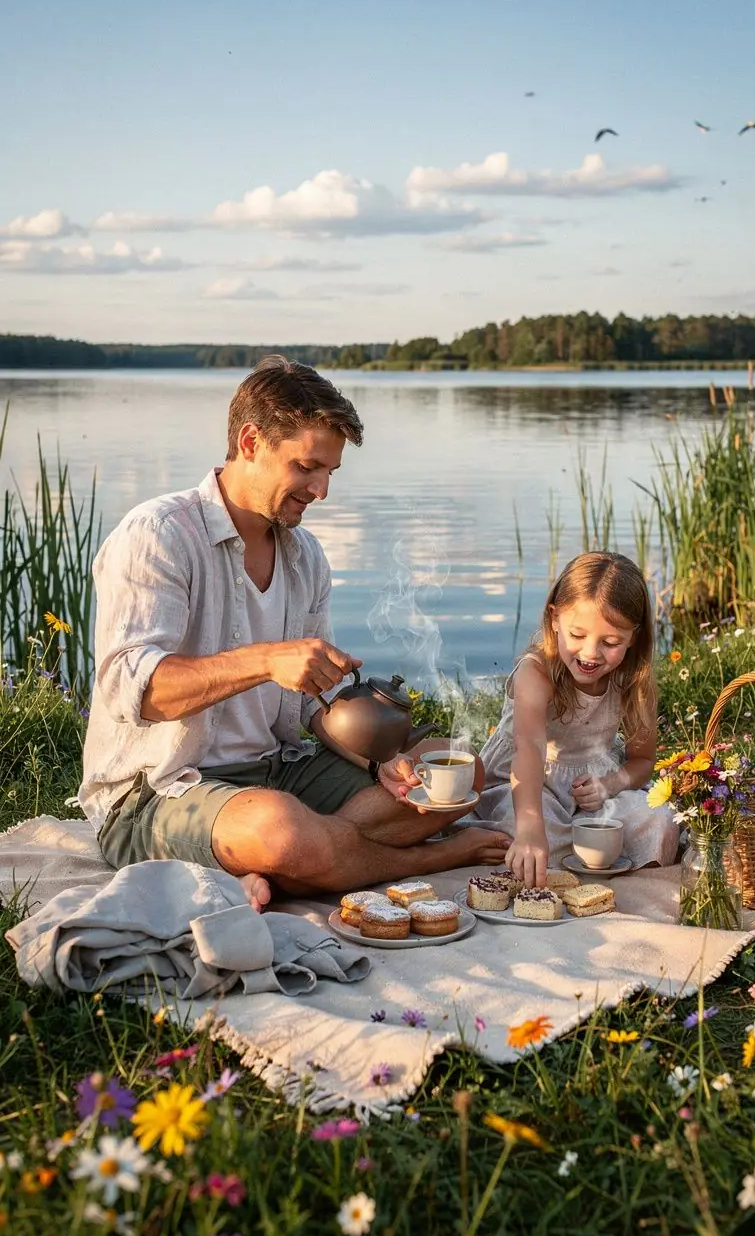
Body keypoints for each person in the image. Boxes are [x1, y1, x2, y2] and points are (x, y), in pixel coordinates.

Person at [79, 357, 509, 908]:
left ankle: (293, 865)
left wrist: (379, 764)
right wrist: (265, 661)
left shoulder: (305, 556)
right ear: (251, 440)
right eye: (308, 467)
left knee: (459, 772)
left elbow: (313, 707)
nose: (321, 490)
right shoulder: (158, 535)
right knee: (281, 830)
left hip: (278, 772)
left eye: (330, 472)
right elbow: (132, 693)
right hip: (158, 790)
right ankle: (425, 856)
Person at [473, 551, 678, 888]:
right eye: (578, 635)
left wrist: (608, 785)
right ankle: (578, 854)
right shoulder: (536, 672)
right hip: (527, 784)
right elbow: (529, 752)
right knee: (528, 833)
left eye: (610, 642)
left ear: (634, 637)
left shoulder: (632, 679)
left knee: (660, 820)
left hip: (593, 783)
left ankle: (578, 854)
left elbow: (642, 761)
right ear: (554, 618)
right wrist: (530, 830)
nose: (591, 654)